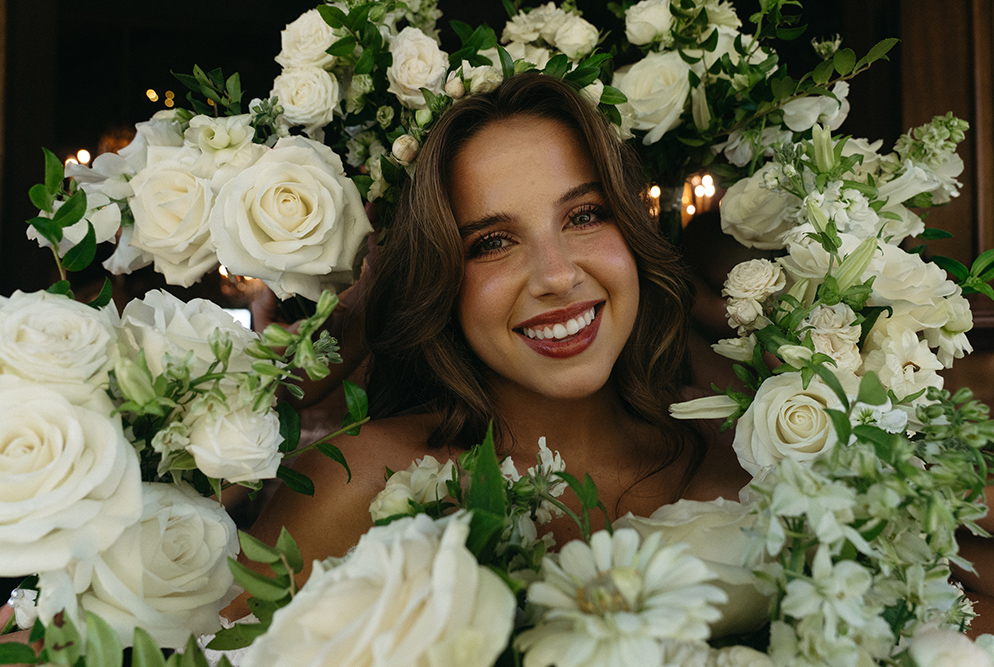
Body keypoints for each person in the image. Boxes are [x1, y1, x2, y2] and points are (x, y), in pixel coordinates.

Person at [222, 73, 750, 622]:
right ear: (439, 278)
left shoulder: (745, 446)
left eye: (584, 216)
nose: (557, 276)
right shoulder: (362, 483)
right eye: (493, 242)